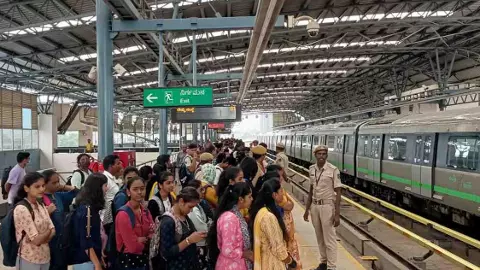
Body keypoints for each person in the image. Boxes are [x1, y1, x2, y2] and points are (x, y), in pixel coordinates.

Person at [303, 145, 342, 270]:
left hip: (327, 207)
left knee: (329, 238)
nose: (321, 156)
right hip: (315, 206)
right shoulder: (311, 169)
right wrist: (306, 209)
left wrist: (337, 214)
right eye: (319, 154)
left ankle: (332, 266)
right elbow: (311, 190)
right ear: (315, 155)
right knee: (319, 237)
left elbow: (338, 191)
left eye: (324, 154)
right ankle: (323, 262)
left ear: (327, 156)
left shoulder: (333, 170)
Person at [249, 180, 297, 270]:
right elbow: (278, 249)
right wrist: (291, 262)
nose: (283, 193)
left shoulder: (262, 211)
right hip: (272, 264)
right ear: (274, 195)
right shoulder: (268, 217)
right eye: (281, 191)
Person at [13, 172, 55, 270]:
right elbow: (37, 240)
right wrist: (48, 231)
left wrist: (41, 238)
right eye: (37, 186)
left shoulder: (41, 205)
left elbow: (53, 231)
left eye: (43, 186)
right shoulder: (22, 209)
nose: (42, 189)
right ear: (26, 188)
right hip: (29, 259)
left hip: (45, 257)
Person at [207, 183, 253, 270]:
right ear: (241, 199)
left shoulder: (236, 213)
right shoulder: (229, 218)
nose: (252, 199)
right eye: (250, 197)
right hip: (230, 265)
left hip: (237, 263)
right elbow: (227, 250)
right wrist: (244, 254)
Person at [159, 187, 205, 270]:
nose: (191, 211)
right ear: (181, 201)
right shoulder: (168, 221)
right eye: (190, 207)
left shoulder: (184, 216)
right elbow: (167, 253)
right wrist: (189, 240)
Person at [42, 169, 79, 270]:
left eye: (58, 181)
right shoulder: (40, 199)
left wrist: (63, 186)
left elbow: (77, 192)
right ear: (44, 184)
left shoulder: (58, 196)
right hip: (49, 243)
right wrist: (47, 213)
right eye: (54, 183)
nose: (57, 184)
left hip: (62, 242)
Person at [115, 176, 154, 270]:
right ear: (128, 192)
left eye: (142, 189)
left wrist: (142, 239)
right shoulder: (123, 214)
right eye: (135, 189)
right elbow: (132, 247)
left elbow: (153, 232)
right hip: (129, 261)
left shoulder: (145, 211)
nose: (140, 192)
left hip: (144, 259)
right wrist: (143, 240)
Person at [71, 173, 109, 270]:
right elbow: (86, 241)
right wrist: (97, 264)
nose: (107, 189)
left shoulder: (91, 208)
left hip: (91, 258)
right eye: (105, 186)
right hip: (85, 261)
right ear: (97, 188)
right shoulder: (86, 210)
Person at [186, 180, 213, 269]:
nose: (203, 192)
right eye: (200, 189)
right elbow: (202, 229)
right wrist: (209, 225)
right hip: (199, 244)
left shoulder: (199, 204)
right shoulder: (193, 208)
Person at [102, 155, 123, 234]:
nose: (120, 165)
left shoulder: (113, 178)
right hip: (107, 217)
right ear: (111, 166)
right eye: (118, 164)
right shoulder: (105, 179)